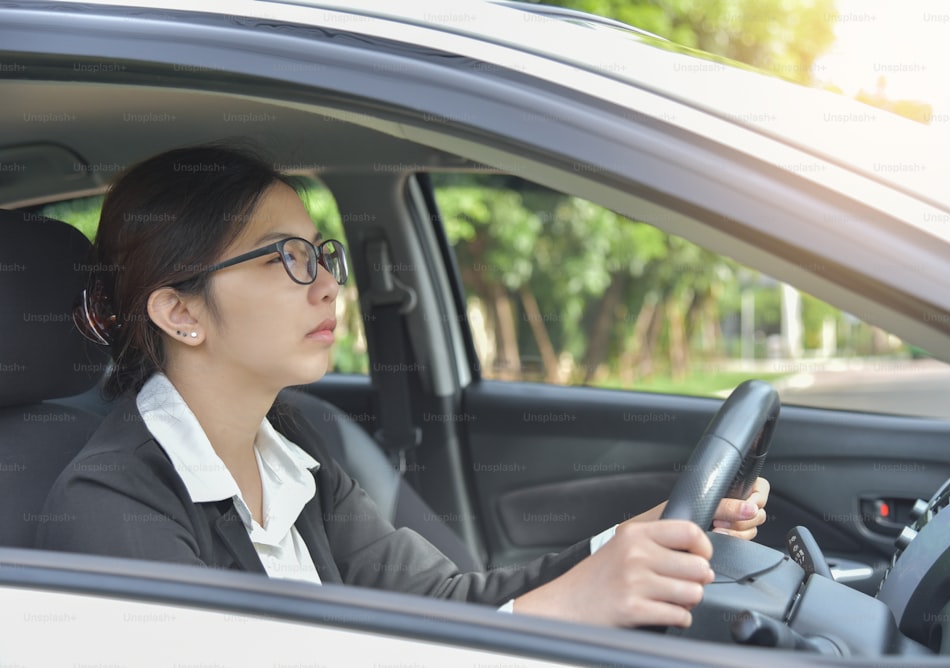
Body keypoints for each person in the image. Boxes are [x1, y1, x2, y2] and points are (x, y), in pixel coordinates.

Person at [38, 143, 769, 628]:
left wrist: (634, 539)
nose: (328, 286)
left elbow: (444, 603)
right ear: (181, 311)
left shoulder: (294, 443)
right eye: (286, 259)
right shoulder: (110, 506)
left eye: (323, 255)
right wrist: (568, 610)